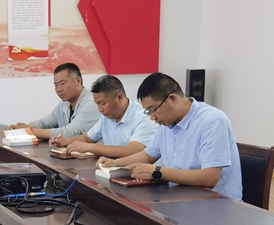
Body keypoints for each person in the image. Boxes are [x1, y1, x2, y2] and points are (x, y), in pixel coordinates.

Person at [98, 72, 242, 200]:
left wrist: (157, 172)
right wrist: (115, 163)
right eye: (148, 112)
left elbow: (210, 178)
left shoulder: (212, 121)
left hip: (216, 204)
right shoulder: (167, 123)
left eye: (153, 110)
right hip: (180, 198)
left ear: (172, 98)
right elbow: (148, 156)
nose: (152, 117)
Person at [50, 74, 157, 158]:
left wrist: (90, 147)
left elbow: (131, 151)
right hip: (110, 168)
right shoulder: (108, 116)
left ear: (120, 98)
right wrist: (66, 141)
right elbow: (88, 138)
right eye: (97, 104)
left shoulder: (144, 117)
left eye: (103, 103)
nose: (100, 109)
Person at [10, 62, 100, 140]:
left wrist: (28, 131)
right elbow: (45, 123)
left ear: (78, 81)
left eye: (62, 83)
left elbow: (69, 133)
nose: (59, 89)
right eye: (56, 85)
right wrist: (26, 127)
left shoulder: (92, 102)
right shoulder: (64, 103)